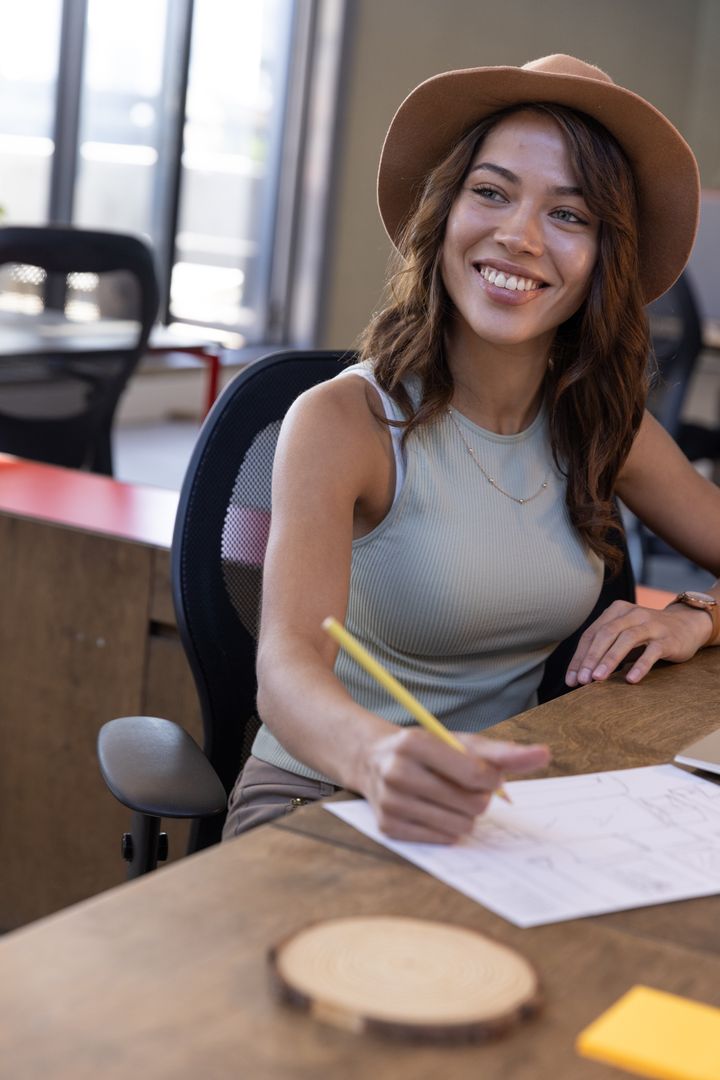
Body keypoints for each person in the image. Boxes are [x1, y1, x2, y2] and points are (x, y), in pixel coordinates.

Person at [223, 54, 720, 844]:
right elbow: (285, 672)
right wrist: (377, 755)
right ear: (444, 215)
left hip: (500, 808)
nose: (517, 236)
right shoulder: (344, 420)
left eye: (569, 214)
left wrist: (698, 617)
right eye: (490, 193)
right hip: (324, 793)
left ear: (602, 259)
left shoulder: (598, 421)